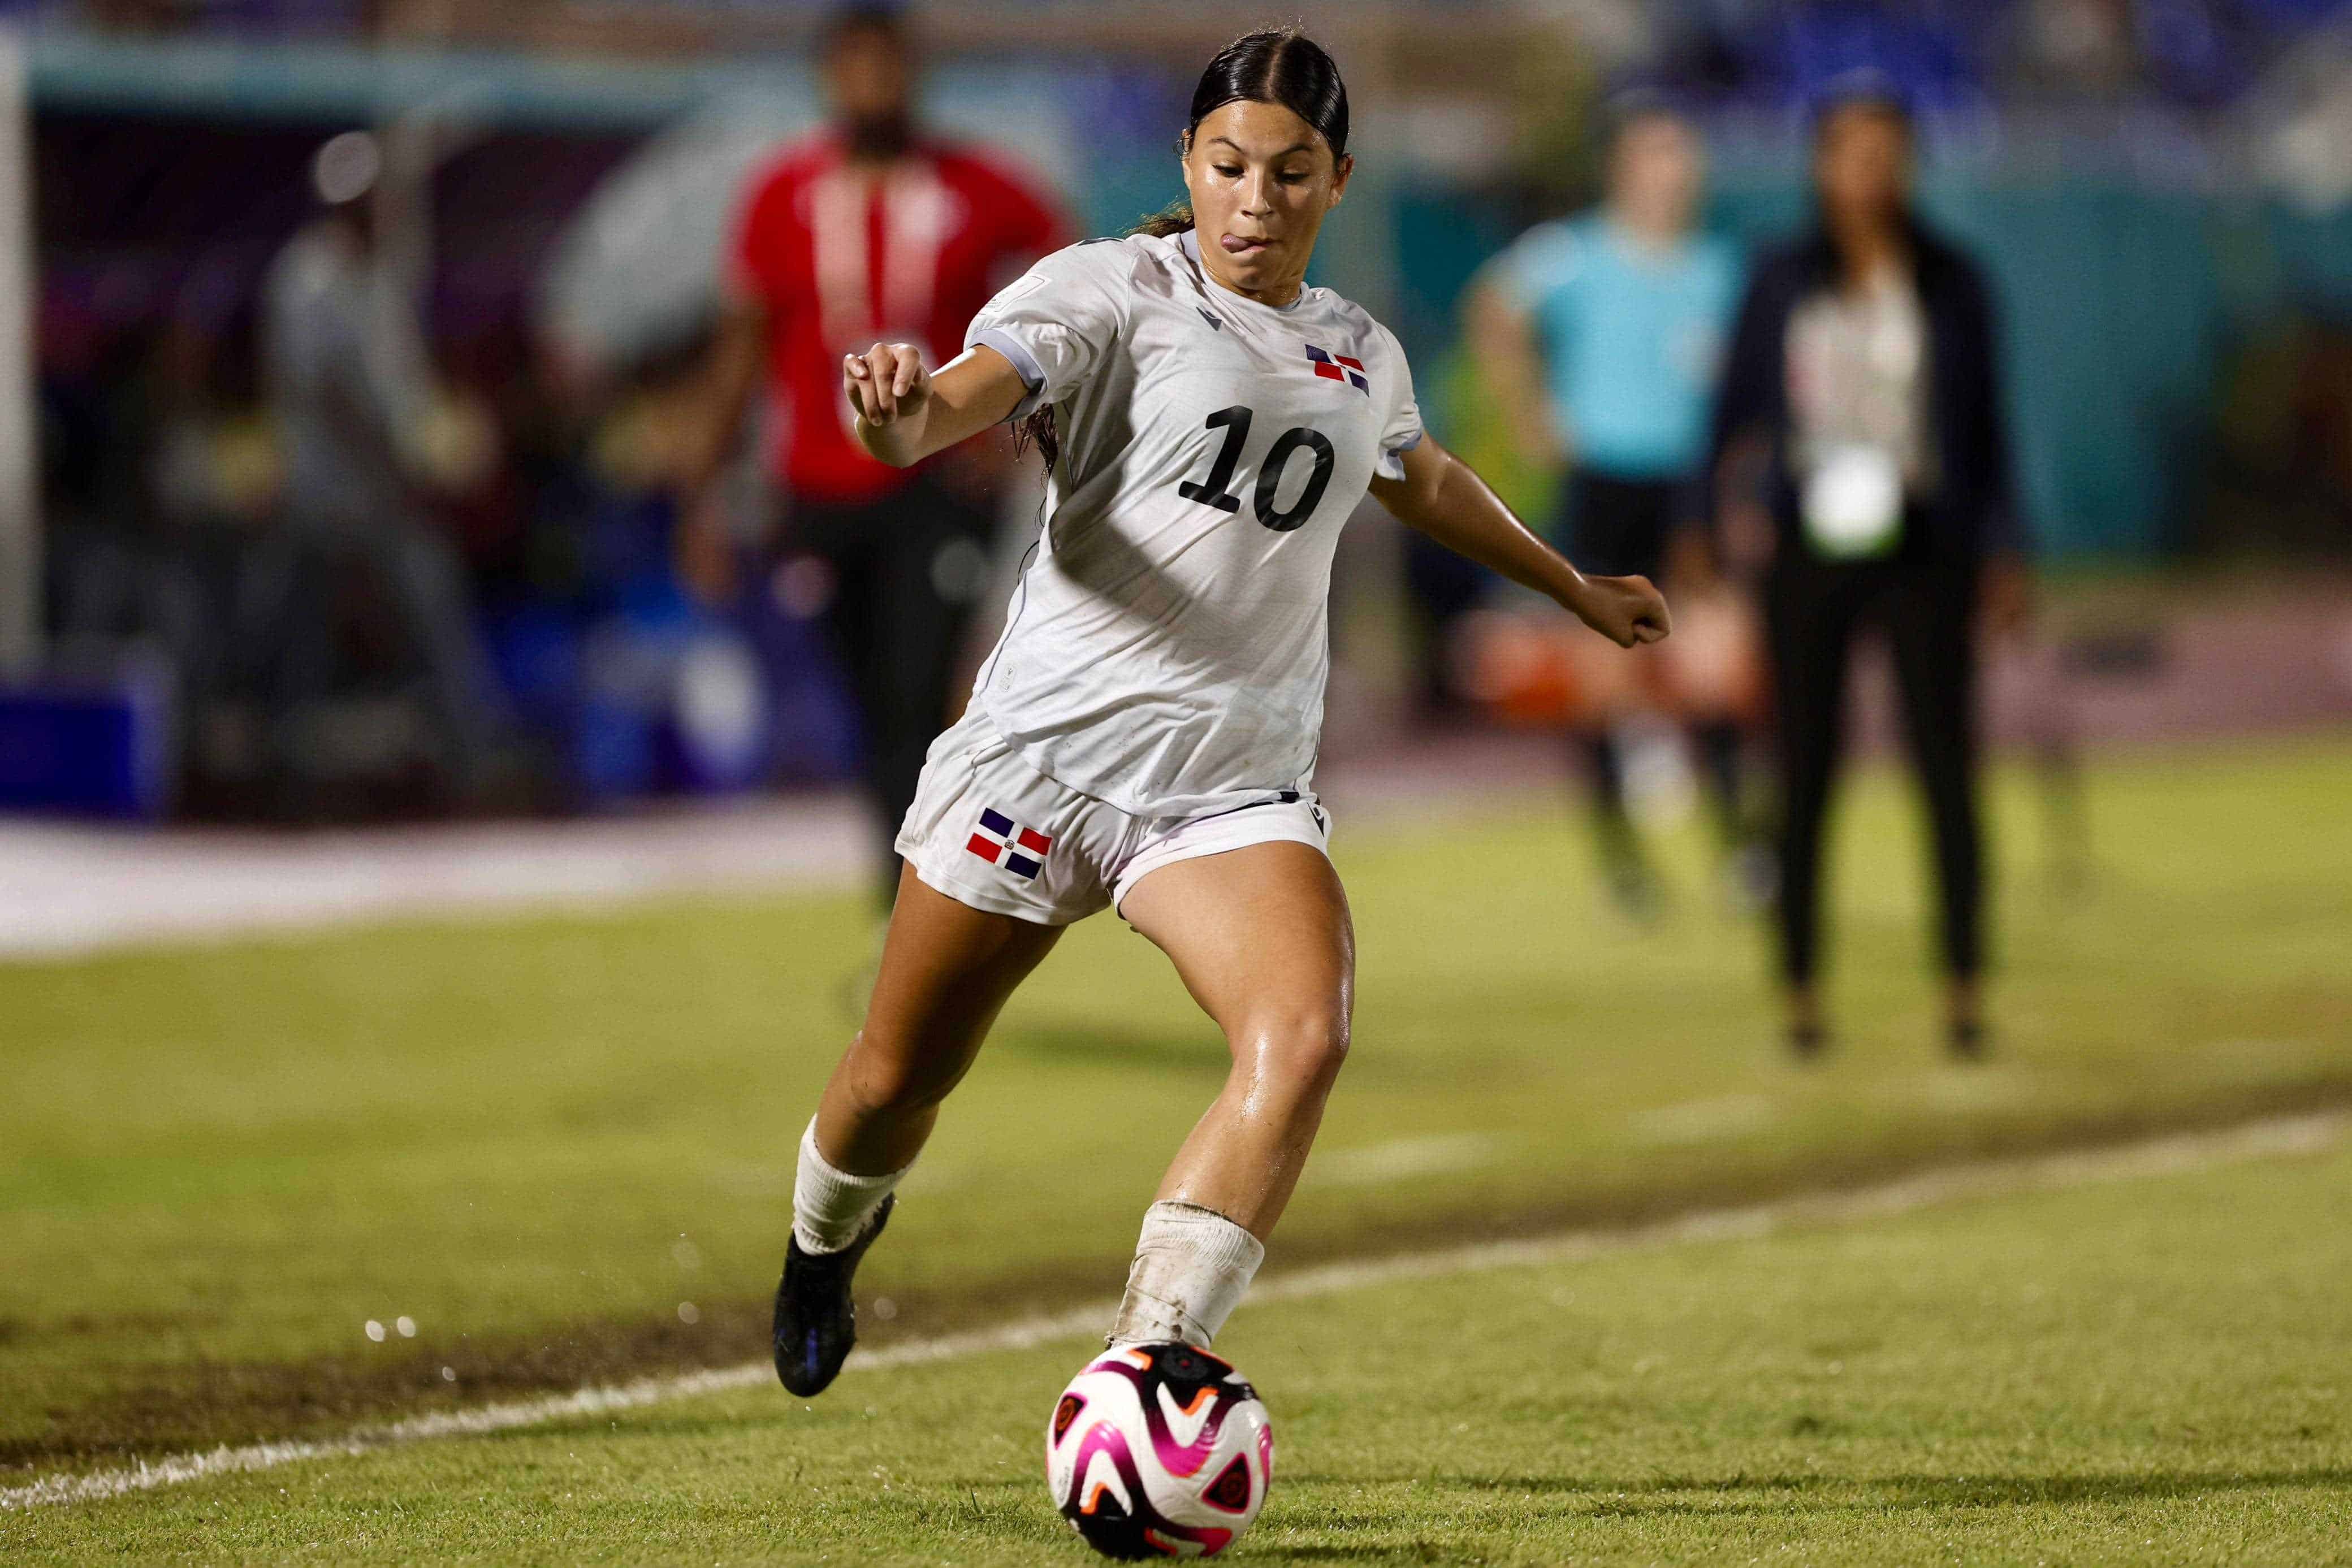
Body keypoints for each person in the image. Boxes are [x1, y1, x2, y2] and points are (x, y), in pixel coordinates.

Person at [769, 28, 1670, 1402]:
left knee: (1302, 1031)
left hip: (1225, 788)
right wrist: (891, 414)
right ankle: (822, 1244)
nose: (1256, 200)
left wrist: (1571, 586)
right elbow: (943, 411)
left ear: (1339, 181)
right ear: (1187, 165)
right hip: (1042, 762)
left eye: (1291, 174)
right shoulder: (1107, 290)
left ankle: (1154, 1359)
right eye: (1229, 166)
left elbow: (1420, 480)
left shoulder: (1356, 351)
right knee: (896, 1075)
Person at [680, 2, 1069, 901]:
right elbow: (740, 351)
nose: (874, 85)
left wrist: (1013, 428)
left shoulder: (980, 185)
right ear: (827, 79)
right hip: (816, 485)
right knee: (867, 702)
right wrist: (699, 497)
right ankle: (907, 884)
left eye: (888, 65)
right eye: (855, 67)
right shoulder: (781, 195)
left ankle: (918, 901)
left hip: (937, 481)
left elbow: (1071, 306)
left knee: (920, 688)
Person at [1700, 73, 2030, 1060]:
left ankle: (1963, 985)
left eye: (1888, 153)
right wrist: (1703, 529)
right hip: (1811, 546)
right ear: (1820, 165)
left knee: (1946, 767)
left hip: (1929, 545)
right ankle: (1800, 987)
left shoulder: (1954, 278)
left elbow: (1988, 432)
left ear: (1910, 165)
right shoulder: (1779, 278)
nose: (1869, 172)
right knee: (1802, 773)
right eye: (1850, 152)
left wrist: (2010, 553)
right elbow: (1730, 418)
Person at [1469, 94, 1757, 919]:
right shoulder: (1575, 254)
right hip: (1604, 479)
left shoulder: (1718, 268)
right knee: (1604, 674)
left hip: (1691, 485)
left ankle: (1741, 845)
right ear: (1623, 167)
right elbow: (1495, 308)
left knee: (1714, 663)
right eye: (1657, 154)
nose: (1673, 171)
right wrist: (1529, 413)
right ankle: (1624, 861)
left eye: (1682, 154)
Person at [259, 129, 510, 803]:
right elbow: (328, 394)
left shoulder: (380, 276)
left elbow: (400, 388)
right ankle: (285, 767)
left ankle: (470, 756)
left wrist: (439, 445)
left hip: (383, 489)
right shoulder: (308, 275)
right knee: (312, 633)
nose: (374, 209)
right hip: (330, 492)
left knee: (418, 616)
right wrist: (396, 468)